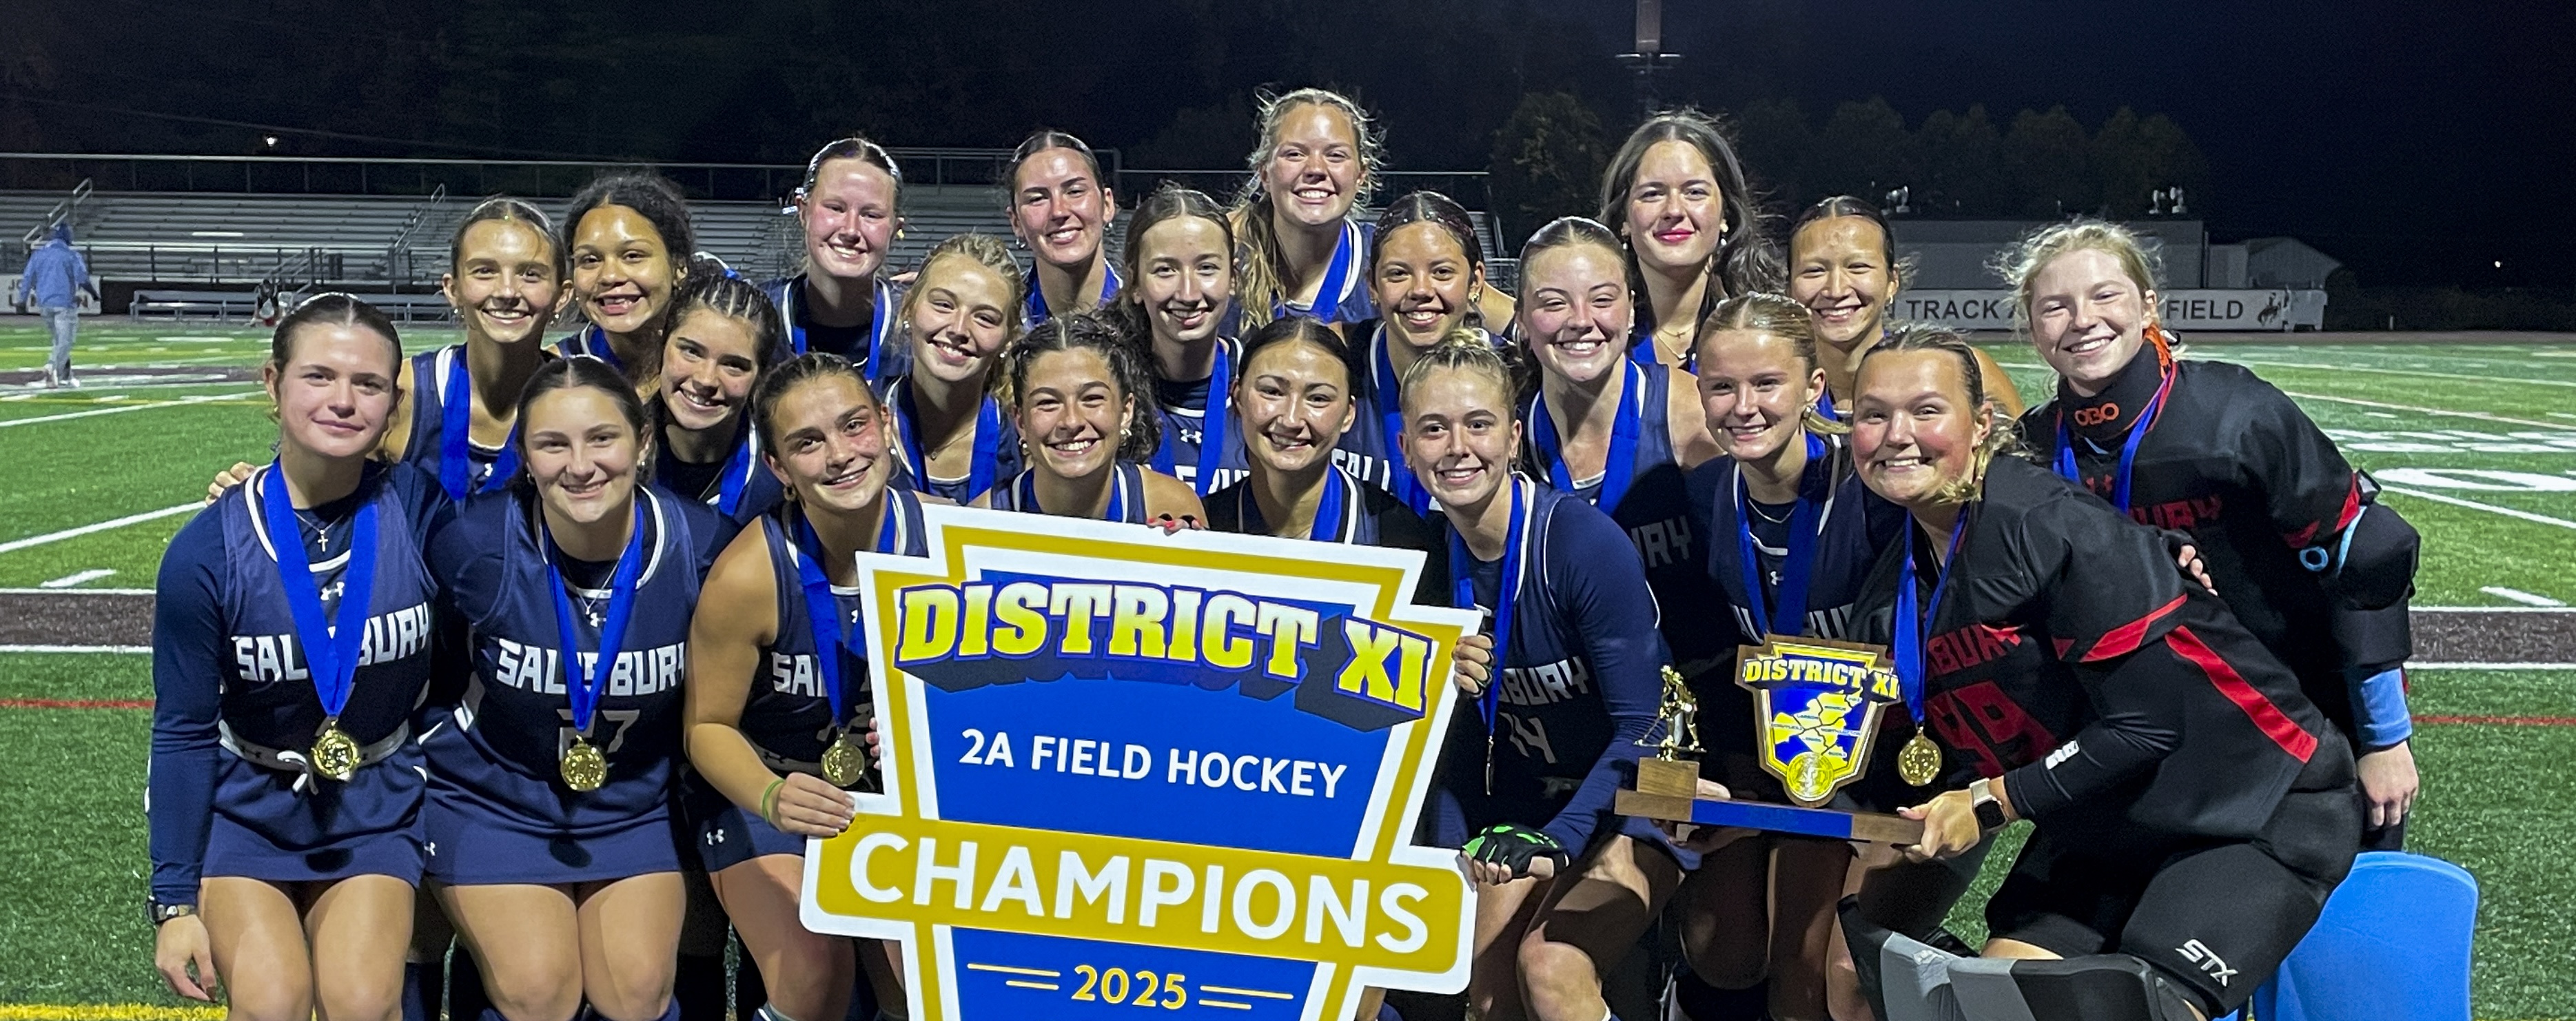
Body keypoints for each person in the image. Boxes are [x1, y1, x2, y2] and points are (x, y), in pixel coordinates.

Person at [1845, 324, 2357, 1020]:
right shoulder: (1897, 573)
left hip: (2250, 804)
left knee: (2133, 1010)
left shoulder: (2046, 523)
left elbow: (2147, 725)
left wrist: (1991, 803)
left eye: (1926, 410)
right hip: (2102, 824)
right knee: (1997, 1010)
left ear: (1982, 423)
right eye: (1874, 414)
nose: (1897, 435)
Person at [2005, 219, 2420, 847]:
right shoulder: (2032, 450)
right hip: (2138, 745)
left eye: (2105, 295)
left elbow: (2366, 557)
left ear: (2148, 306)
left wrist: (2384, 737)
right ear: (2032, 327)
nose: (2083, 319)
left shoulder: (2237, 413)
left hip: (2299, 732)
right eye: (2055, 306)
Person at [148, 294, 449, 1019]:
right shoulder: (207, 550)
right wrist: (174, 901)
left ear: (393, 402)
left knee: (361, 1001)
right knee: (272, 1001)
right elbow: (183, 728)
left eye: (368, 384)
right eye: (319, 376)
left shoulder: (420, 509)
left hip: (375, 799)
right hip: (248, 807)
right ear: (273, 381)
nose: (343, 400)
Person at [422, 356, 729, 1021]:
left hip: (634, 802)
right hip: (494, 796)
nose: (581, 465)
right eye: (552, 444)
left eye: (602, 438)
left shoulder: (702, 547)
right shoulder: (476, 545)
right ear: (524, 457)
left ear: (642, 441)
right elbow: (428, 664)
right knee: (540, 991)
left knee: (637, 992)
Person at [1400, 336, 1673, 1021]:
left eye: (1478, 424)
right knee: (1487, 994)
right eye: (1433, 429)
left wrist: (1563, 837)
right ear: (1405, 447)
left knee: (1549, 968)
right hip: (1526, 807)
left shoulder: (1579, 543)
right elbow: (1455, 751)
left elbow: (1648, 723)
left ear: (1514, 436)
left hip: (1638, 795)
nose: (1457, 447)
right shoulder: (1423, 561)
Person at [1670, 294, 1919, 1021]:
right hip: (1775, 755)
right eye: (1722, 386)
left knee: (1809, 974)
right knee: (1720, 950)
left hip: (1878, 767)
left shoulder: (1874, 490)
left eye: (1766, 383)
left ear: (1813, 386)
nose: (1743, 406)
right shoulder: (1705, 495)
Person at [687, 353, 923, 1021]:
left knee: (920, 982)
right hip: (769, 790)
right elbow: (706, 727)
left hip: (892, 798)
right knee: (813, 969)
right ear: (779, 468)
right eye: (808, 442)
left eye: (854, 425)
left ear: (885, 424)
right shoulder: (749, 574)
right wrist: (772, 795)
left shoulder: (945, 543)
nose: (841, 454)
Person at [1513, 216, 1726, 691]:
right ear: (1522, 319)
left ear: (1631, 310)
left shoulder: (1694, 415)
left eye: (1602, 299)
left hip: (1703, 702)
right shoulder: (1509, 437)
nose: (1580, 320)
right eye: (1553, 303)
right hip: (1583, 706)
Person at [1203, 315, 1445, 600]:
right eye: (1272, 392)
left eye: (1318, 398)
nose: (1291, 419)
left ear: (1349, 414)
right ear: (1238, 398)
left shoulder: (1401, 541)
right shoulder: (1203, 531)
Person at [1786, 195, 2022, 418]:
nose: (1836, 290)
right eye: (1814, 271)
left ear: (1892, 281)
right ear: (1789, 287)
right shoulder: (1772, 386)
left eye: (1858, 267)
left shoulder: (1963, 374)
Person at [1340, 191, 1503, 506]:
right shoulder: (1339, 367)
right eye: (1398, 273)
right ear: (1372, 285)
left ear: (1475, 281)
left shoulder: (1513, 375)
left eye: (1442, 272)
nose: (1421, 290)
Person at [1597, 110, 1783, 373]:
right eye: (1652, 194)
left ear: (1726, 214)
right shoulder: (1593, 332)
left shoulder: (1776, 328)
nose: (1674, 210)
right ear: (1623, 219)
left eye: (1695, 192)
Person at [983, 311, 1205, 523]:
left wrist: (1180, 548)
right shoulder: (983, 520)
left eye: (1092, 398)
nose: (1072, 421)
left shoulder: (1171, 508)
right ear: (1021, 421)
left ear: (1126, 411)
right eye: (1048, 403)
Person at [1119, 183, 1248, 495]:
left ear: (1233, 278)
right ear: (1134, 283)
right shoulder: (1108, 388)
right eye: (1165, 270)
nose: (1188, 294)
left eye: (1207, 268)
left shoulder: (1264, 385)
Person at [880, 234, 1026, 504]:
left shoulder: (1024, 441)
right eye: (943, 305)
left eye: (985, 318)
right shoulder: (858, 422)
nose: (959, 329)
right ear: (909, 308)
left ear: (1009, 338)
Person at [648, 270, 791, 530]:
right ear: (661, 347)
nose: (706, 380)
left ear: (761, 377)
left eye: (734, 365)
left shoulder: (781, 477)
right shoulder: (609, 451)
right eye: (691, 352)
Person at [1229, 88, 1382, 330]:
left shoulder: (1386, 261)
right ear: (1265, 174)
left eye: (1335, 155)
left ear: (1361, 175)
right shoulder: (1222, 263)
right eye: (1294, 154)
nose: (1316, 169)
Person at [767, 137, 910, 382]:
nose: (851, 230)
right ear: (803, 211)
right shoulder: (755, 318)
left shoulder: (919, 328)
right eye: (835, 208)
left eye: (871, 215)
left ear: (894, 229)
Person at [556, 174, 699, 390]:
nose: (610, 276)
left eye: (633, 256)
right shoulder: (555, 371)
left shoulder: (720, 367)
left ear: (679, 267)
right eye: (590, 260)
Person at [1010, 130, 1121, 325]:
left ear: (1107, 205)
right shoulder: (998, 326)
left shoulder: (1149, 320)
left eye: (1075, 191)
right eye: (1037, 199)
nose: (1058, 211)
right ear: (1016, 222)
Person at [14, 222, 99, 388]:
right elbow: (82, 279)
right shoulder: (71, 255)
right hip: (64, 304)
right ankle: (52, 367)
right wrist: (95, 295)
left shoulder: (39, 255)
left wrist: (22, 300)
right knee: (65, 341)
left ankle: (65, 376)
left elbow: (27, 278)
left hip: (44, 304)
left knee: (59, 340)